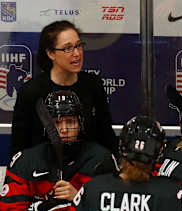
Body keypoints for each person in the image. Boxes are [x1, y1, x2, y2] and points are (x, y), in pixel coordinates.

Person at [0, 90, 116, 211]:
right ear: (46, 126)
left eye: (70, 122)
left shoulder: (101, 160)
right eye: (56, 123)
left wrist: (79, 199)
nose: (64, 129)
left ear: (80, 123)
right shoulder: (25, 161)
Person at [11, 20, 118, 156]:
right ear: (51, 53)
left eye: (78, 46)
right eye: (68, 48)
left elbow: (106, 135)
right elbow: (19, 147)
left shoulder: (93, 85)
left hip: (87, 170)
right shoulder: (31, 91)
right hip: (43, 171)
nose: (77, 53)